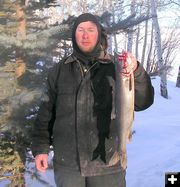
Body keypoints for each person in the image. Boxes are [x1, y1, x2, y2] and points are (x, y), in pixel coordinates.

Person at [31, 13, 154, 187]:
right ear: (74, 35)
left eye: (90, 30)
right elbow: (45, 114)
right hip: (68, 167)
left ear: (99, 34)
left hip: (108, 164)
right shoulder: (58, 71)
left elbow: (143, 101)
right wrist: (41, 149)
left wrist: (137, 72)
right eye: (80, 30)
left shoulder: (115, 67)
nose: (85, 35)